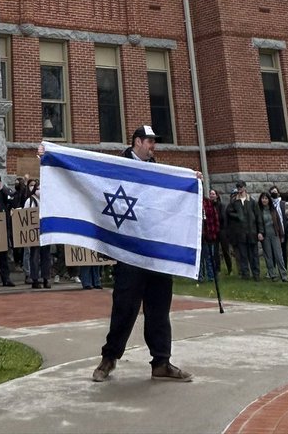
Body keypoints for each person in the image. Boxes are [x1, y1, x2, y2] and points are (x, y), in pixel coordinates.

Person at [92, 125, 193, 384]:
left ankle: (161, 361)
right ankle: (109, 358)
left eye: (154, 142)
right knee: (125, 307)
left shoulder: (159, 171)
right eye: (149, 141)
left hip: (156, 253)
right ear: (137, 142)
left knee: (159, 308)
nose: (153, 146)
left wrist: (192, 184)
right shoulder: (118, 167)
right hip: (130, 253)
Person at [226, 181, 260, 281]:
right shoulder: (234, 202)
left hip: (252, 232)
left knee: (254, 255)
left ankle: (256, 274)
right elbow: (229, 212)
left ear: (245, 187)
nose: (239, 189)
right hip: (240, 233)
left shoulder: (252, 201)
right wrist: (238, 216)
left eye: (241, 187)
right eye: (238, 187)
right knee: (243, 255)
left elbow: (258, 217)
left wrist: (260, 231)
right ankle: (245, 274)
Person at [24, 180, 51, 289]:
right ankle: (35, 279)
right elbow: (24, 216)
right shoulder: (29, 201)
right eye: (38, 189)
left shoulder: (47, 201)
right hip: (34, 233)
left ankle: (46, 278)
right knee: (34, 256)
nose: (40, 191)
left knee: (46, 257)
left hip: (45, 232)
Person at [257, 192, 287, 282]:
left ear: (269, 200)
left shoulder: (273, 210)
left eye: (266, 198)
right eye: (263, 198)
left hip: (274, 234)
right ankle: (272, 274)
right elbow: (257, 223)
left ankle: (284, 275)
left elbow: (279, 223)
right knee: (268, 256)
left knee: (278, 255)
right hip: (265, 236)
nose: (264, 200)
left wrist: (281, 235)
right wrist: (259, 233)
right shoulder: (259, 211)